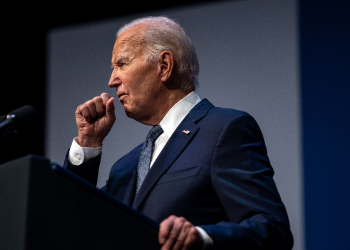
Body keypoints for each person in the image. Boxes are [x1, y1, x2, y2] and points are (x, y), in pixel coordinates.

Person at [63, 16, 293, 250]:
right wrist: (88, 142)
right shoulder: (125, 168)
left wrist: (201, 238)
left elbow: (272, 229)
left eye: (122, 64)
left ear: (164, 66)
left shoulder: (224, 130)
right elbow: (74, 223)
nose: (112, 80)